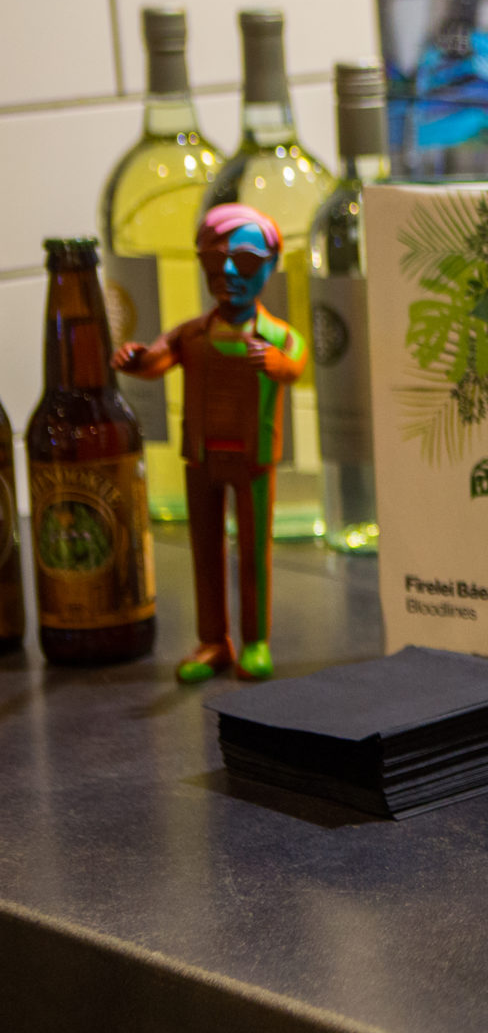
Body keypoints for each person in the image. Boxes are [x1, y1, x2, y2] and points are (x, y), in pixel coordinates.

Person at [113, 204, 308, 683]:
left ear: (270, 264)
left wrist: (277, 363)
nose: (226, 273)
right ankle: (212, 640)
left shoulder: (277, 336)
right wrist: (136, 359)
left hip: (253, 459)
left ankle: (255, 641)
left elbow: (296, 364)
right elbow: (156, 359)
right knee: (205, 552)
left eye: (242, 261)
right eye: (212, 260)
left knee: (254, 552)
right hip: (200, 456)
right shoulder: (192, 334)